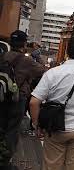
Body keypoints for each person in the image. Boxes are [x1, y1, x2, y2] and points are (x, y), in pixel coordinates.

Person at [29, 36, 74, 170]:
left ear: (67, 51)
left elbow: (34, 102)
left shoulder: (52, 73)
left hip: (55, 128)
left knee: (51, 166)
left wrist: (37, 125)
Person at [0, 30, 45, 168]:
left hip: (2, 95)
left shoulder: (3, 55)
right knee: (12, 129)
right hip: (17, 98)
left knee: (1, 126)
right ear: (24, 43)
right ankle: (5, 161)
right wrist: (38, 56)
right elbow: (42, 70)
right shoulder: (26, 60)